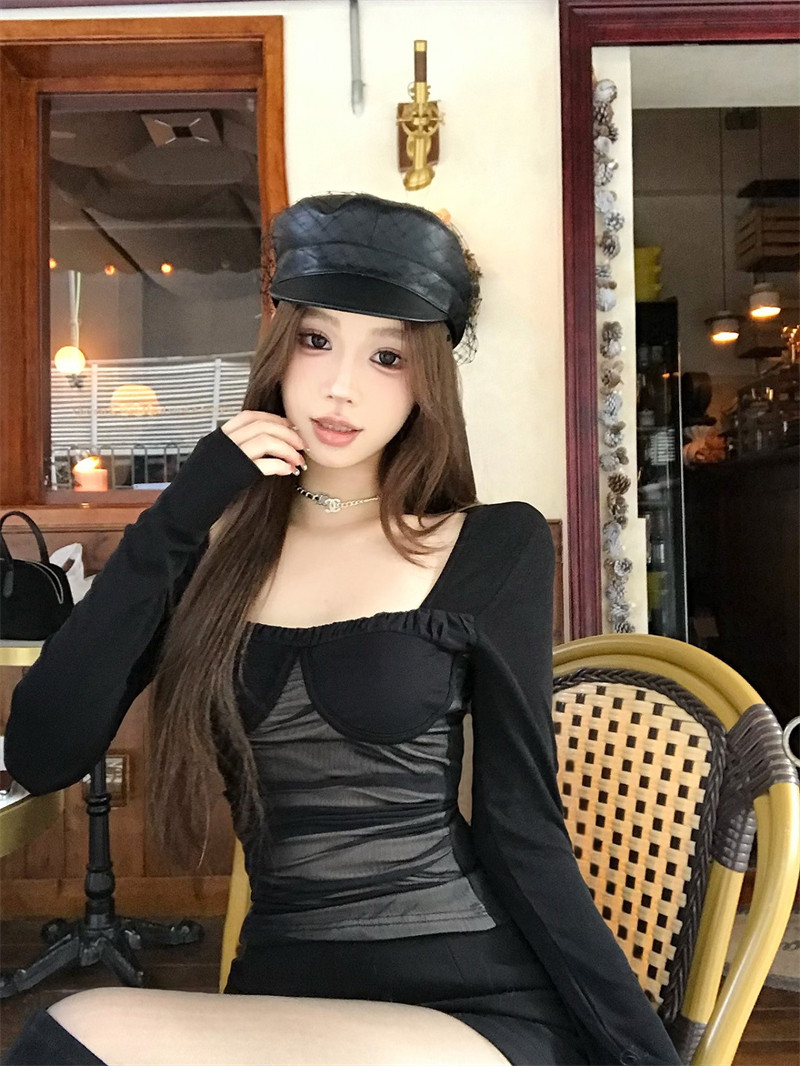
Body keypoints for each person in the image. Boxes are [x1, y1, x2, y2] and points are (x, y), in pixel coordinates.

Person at [2, 193, 682, 1066]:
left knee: (62, 1034)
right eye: (317, 340)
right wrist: (182, 510)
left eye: (387, 355)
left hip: (473, 1001)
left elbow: (523, 831)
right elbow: (42, 752)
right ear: (278, 347)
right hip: (282, 999)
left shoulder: (491, 545)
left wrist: (643, 1056)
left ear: (428, 379)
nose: (341, 387)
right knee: (70, 1037)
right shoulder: (210, 554)